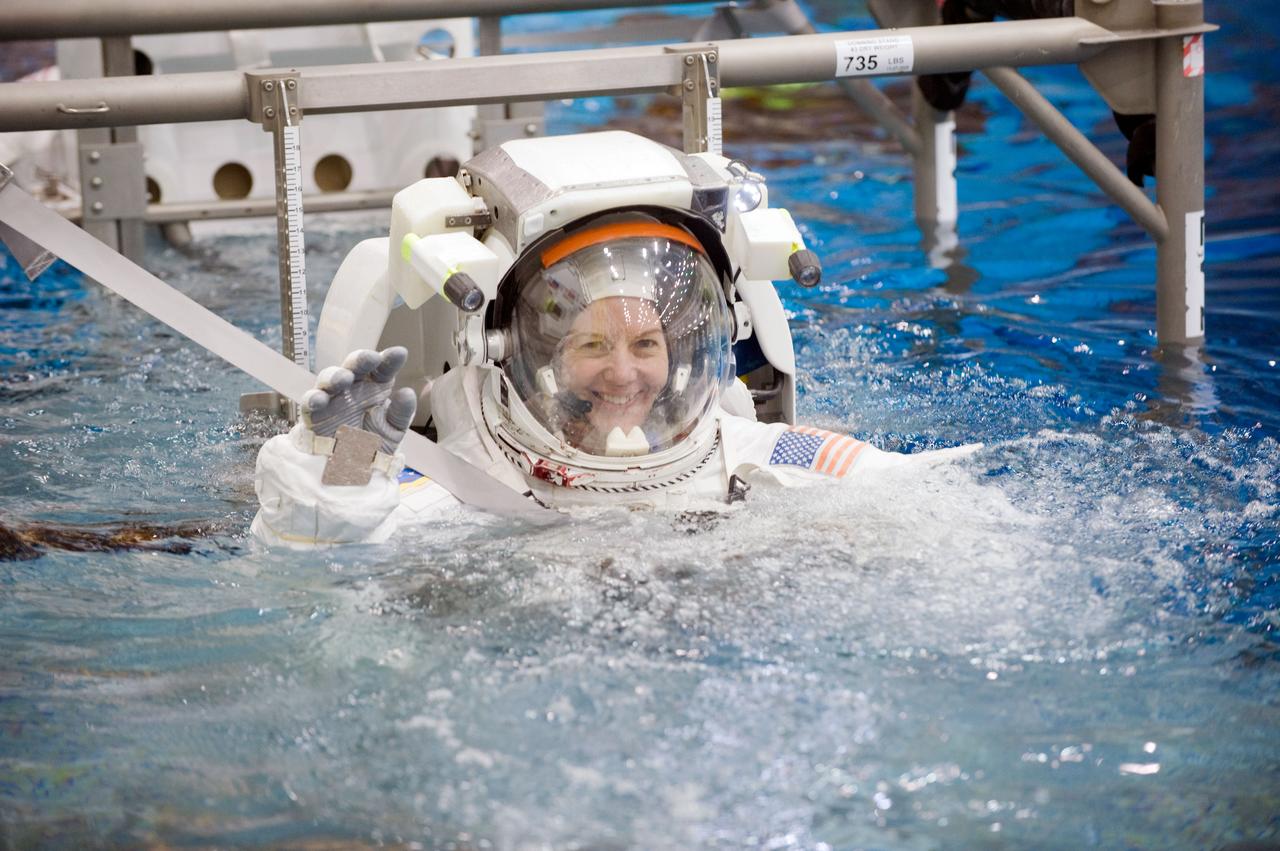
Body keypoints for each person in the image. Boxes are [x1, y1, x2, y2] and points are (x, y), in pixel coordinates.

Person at [250, 133, 978, 548]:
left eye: (646, 343)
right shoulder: (466, 476)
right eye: (591, 345)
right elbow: (332, 540)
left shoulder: (746, 452)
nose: (624, 374)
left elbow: (927, 504)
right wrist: (339, 462)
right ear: (518, 351)